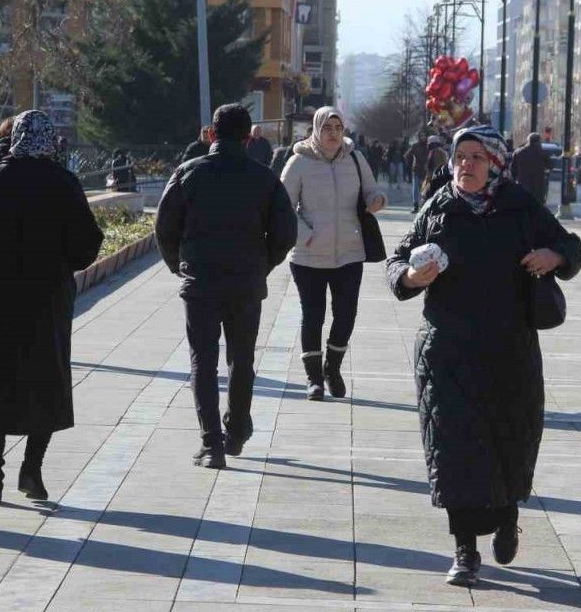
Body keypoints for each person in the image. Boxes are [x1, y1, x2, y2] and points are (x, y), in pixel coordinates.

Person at [388, 126, 581, 587]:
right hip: (446, 351)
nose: (466, 165)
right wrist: (411, 278)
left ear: (496, 163)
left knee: (509, 441)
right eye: (461, 156)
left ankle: (506, 515)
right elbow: (397, 261)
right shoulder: (439, 207)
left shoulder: (520, 206)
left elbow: (572, 248)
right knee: (452, 448)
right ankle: (464, 551)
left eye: (477, 157)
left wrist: (553, 256)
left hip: (509, 350)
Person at [0, 111, 103, 505]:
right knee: (44, 377)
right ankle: (32, 469)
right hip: (46, 297)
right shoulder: (64, 183)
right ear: (50, 140)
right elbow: (87, 245)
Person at [157, 104, 297, 468]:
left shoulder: (188, 173)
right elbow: (286, 232)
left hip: (200, 282)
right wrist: (263, 265)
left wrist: (179, 266)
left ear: (211, 135)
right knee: (242, 359)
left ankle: (211, 444)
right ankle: (235, 432)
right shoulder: (264, 178)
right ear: (248, 139)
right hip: (245, 282)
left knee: (203, 362)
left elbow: (165, 227)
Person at [280, 106, 386, 400]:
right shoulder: (299, 162)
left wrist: (377, 200)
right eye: (327, 128)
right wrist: (306, 235)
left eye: (338, 128)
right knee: (313, 316)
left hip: (350, 252)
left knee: (346, 315)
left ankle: (332, 368)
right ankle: (313, 379)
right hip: (308, 256)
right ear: (316, 130)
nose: (333, 134)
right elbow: (282, 206)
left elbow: (372, 190)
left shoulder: (355, 158)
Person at [510, 132, 551, 204]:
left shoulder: (518, 152)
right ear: (538, 142)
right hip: (538, 188)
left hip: (522, 186)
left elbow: (513, 170)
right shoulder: (542, 153)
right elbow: (550, 165)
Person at [405, 132, 429, 212]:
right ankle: (415, 205)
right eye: (421, 136)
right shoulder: (415, 146)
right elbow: (407, 155)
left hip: (426, 170)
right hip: (417, 169)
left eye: (424, 135)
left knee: (425, 188)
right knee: (415, 188)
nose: (423, 137)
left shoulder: (428, 146)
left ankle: (424, 205)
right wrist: (411, 163)